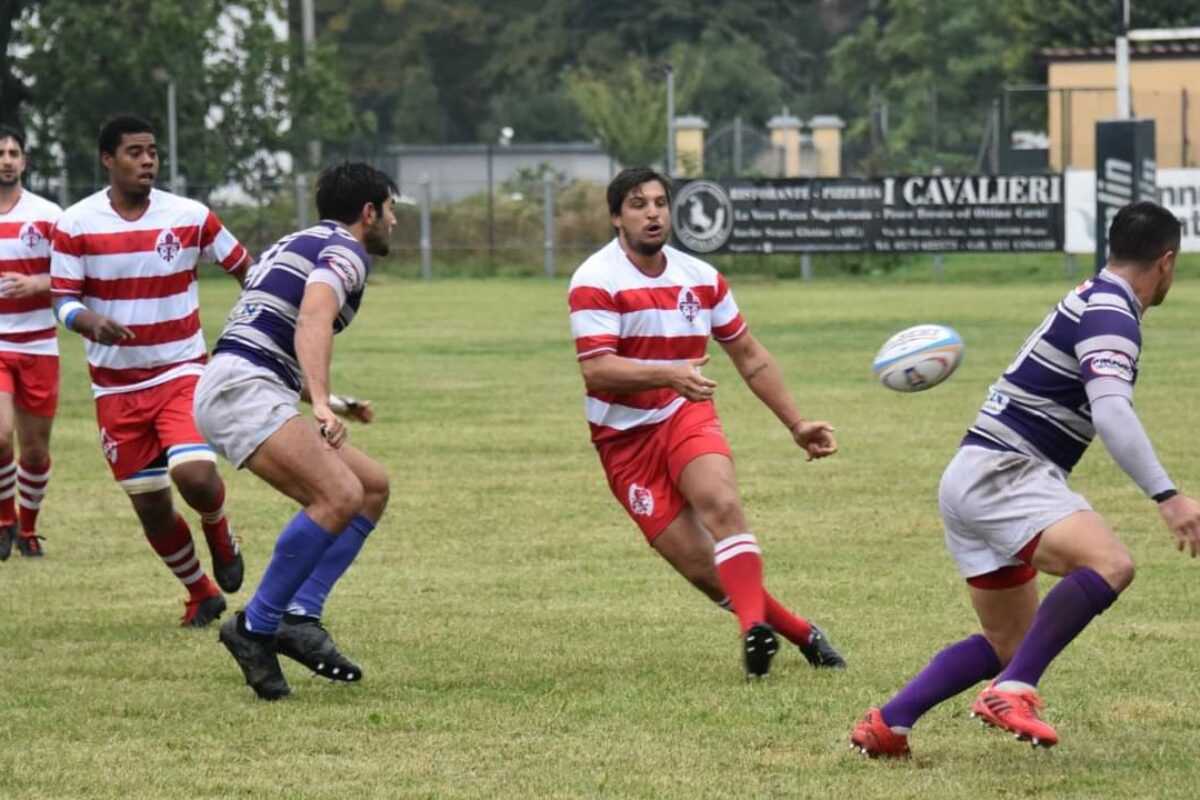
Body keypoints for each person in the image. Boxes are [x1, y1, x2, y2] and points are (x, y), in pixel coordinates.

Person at [851, 201, 1200, 758]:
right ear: (1166, 262)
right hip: (1008, 471)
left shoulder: (1093, 294)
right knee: (1110, 564)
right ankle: (1013, 689)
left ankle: (888, 723)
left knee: (1008, 640)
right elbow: (1111, 412)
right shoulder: (1113, 312)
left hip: (972, 471)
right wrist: (1168, 496)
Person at [567, 166, 846, 679]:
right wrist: (667, 372)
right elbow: (596, 369)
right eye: (637, 204)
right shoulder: (595, 280)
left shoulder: (701, 278)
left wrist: (796, 423)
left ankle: (750, 632)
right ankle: (801, 632)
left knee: (722, 504)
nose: (652, 213)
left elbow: (749, 355)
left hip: (684, 413)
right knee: (703, 569)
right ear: (615, 217)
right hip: (623, 441)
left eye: (659, 202)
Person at [200, 161, 395, 700]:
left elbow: (272, 331)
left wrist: (333, 399)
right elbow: (312, 316)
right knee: (338, 495)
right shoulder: (347, 250)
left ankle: (299, 615)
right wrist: (324, 412)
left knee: (371, 487)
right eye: (392, 209)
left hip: (240, 380)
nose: (394, 223)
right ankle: (258, 625)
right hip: (244, 388)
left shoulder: (302, 239)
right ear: (369, 211)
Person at [49, 114, 248, 626]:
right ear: (108, 160)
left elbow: (248, 269)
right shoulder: (76, 223)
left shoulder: (189, 216)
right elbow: (62, 300)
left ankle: (218, 528)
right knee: (152, 507)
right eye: (135, 152)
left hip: (180, 372)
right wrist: (88, 320)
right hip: (115, 389)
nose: (147, 161)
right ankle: (200, 591)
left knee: (196, 475)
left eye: (152, 152)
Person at [0, 125, 61, 561]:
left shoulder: (48, 215)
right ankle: (5, 522)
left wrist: (36, 282)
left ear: (24, 160)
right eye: (0, 152)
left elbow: (77, 274)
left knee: (35, 451)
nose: (6, 159)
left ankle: (29, 527)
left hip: (39, 346)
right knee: (1, 435)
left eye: (13, 152)